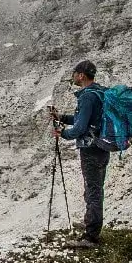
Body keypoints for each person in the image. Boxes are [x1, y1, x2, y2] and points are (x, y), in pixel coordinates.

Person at [47, 60, 109, 248]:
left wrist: (63, 133)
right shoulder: (99, 92)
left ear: (81, 75)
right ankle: (91, 222)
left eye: (75, 73)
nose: (73, 76)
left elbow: (81, 127)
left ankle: (91, 237)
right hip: (102, 147)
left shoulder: (87, 96)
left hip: (90, 148)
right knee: (95, 187)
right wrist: (63, 118)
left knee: (93, 190)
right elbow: (83, 118)